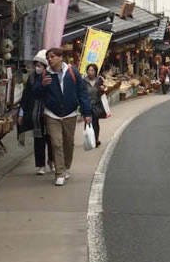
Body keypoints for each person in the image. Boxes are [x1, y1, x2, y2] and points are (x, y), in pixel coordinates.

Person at [33, 47, 91, 186]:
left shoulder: (72, 72)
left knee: (68, 142)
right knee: (56, 143)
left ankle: (66, 167)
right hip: (52, 114)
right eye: (48, 58)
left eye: (52, 57)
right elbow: (34, 93)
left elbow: (82, 92)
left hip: (70, 113)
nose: (50, 60)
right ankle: (59, 173)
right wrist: (41, 85)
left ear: (60, 58)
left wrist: (87, 112)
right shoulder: (45, 74)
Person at [18, 49, 54, 175]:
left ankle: (51, 161)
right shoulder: (32, 78)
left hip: (49, 112)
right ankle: (40, 165)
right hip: (36, 113)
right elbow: (26, 95)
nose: (37, 68)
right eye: (36, 65)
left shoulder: (50, 76)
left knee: (51, 139)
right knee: (38, 140)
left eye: (40, 65)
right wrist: (21, 112)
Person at [84, 63, 107, 148]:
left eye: (92, 70)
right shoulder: (84, 81)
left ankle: (96, 139)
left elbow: (102, 92)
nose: (90, 72)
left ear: (96, 71)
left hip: (96, 104)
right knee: (87, 122)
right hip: (86, 104)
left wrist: (102, 89)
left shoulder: (99, 80)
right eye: (89, 70)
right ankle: (89, 140)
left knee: (95, 123)